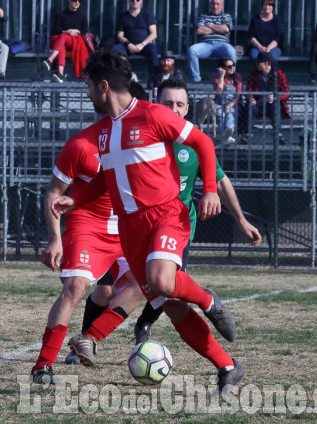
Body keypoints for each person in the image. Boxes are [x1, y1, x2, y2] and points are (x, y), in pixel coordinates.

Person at [51, 50, 244, 396]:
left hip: (166, 215)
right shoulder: (106, 130)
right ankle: (228, 367)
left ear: (104, 86)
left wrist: (211, 190)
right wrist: (76, 198)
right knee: (171, 304)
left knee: (160, 280)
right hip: (130, 227)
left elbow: (203, 141)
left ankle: (209, 301)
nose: (87, 94)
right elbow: (106, 177)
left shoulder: (152, 114)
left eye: (89, 87)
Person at [29, 122, 143, 384]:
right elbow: (54, 193)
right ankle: (42, 366)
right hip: (88, 224)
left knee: (148, 282)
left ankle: (89, 337)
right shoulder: (82, 145)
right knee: (75, 288)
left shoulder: (144, 143)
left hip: (128, 227)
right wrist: (55, 239)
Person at [238, 51, 289, 138]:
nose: (256, 64)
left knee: (276, 106)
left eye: (259, 62)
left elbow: (286, 92)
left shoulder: (278, 74)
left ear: (266, 63)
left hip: (272, 103)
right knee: (251, 107)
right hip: (258, 103)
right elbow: (249, 90)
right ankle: (247, 134)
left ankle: (278, 134)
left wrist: (276, 97)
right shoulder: (253, 74)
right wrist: (251, 98)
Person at [186, 0, 237, 83]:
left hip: (222, 45)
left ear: (222, 6)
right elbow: (199, 30)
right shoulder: (203, 16)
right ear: (210, 5)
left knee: (231, 51)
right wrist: (218, 29)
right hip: (206, 45)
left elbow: (226, 29)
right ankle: (196, 79)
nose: (215, 6)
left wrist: (210, 25)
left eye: (217, 4)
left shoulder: (226, 16)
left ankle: (231, 79)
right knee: (192, 50)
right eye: (213, 4)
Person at [41, 0, 89, 83]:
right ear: (69, 0)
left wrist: (76, 31)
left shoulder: (82, 16)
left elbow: (85, 31)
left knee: (63, 37)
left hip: (76, 41)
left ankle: (49, 60)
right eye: (74, 0)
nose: (77, 3)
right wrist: (67, 31)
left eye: (79, 1)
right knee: (61, 47)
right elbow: (56, 29)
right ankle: (60, 75)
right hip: (63, 41)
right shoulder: (61, 15)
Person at [111, 0, 158, 77]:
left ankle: (153, 81)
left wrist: (142, 44)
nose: (135, 2)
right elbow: (119, 36)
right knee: (116, 49)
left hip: (144, 45)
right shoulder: (123, 17)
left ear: (141, 0)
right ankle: (121, 78)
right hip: (127, 46)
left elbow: (154, 34)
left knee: (153, 50)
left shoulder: (148, 15)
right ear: (128, 0)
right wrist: (128, 44)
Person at [212, 57, 242, 145]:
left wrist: (229, 106)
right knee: (221, 114)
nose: (232, 68)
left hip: (233, 103)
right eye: (229, 66)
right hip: (219, 102)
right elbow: (218, 93)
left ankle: (229, 130)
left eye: (233, 65)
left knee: (230, 114)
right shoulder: (216, 77)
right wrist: (221, 77)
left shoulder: (237, 77)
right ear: (222, 68)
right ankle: (226, 137)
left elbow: (238, 95)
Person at [247, 0, 284, 65]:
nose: (267, 7)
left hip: (274, 47)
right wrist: (260, 47)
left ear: (273, 7)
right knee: (255, 57)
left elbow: (278, 37)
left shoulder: (278, 20)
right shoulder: (255, 19)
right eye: (265, 5)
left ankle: (272, 74)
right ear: (262, 6)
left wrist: (269, 48)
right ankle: (258, 75)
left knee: (272, 58)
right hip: (257, 47)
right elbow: (251, 36)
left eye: (269, 5)